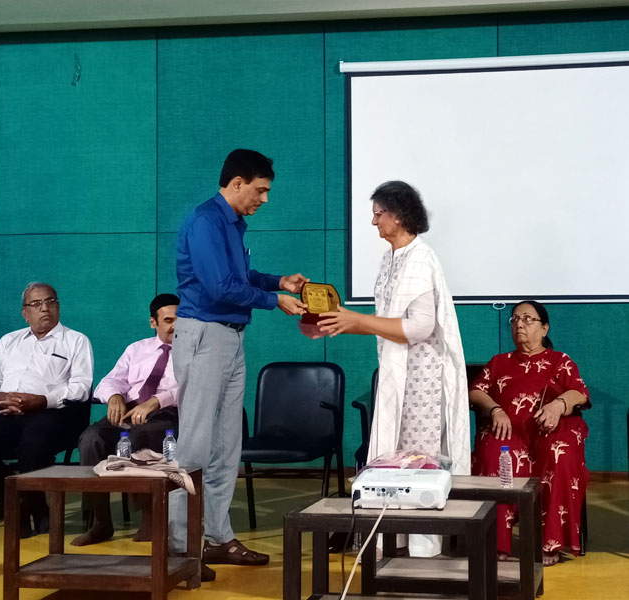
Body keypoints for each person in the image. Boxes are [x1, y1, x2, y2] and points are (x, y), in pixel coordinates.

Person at [168, 148, 308, 580]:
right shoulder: (205, 221)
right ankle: (181, 545)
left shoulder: (231, 224)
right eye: (260, 190)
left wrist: (277, 282)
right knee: (194, 445)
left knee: (227, 445)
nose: (264, 199)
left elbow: (239, 278)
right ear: (236, 184)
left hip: (229, 338)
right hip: (204, 335)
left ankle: (216, 536)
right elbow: (219, 287)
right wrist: (273, 300)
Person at [314, 180, 470, 557]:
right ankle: (392, 541)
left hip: (422, 379)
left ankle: (423, 550)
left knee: (419, 462)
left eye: (378, 214)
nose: (373, 222)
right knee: (394, 460)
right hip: (396, 374)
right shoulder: (391, 258)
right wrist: (337, 322)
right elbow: (383, 322)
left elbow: (420, 328)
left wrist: (357, 321)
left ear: (398, 215)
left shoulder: (420, 258)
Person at [0, 282, 93, 536]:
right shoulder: (9, 341)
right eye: (36, 304)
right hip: (8, 415)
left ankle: (33, 510)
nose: (45, 308)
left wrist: (42, 400)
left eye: (50, 301)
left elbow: (81, 388)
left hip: (53, 415)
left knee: (33, 446)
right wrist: (0, 397)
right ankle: (19, 505)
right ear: (25, 313)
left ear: (58, 306)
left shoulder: (76, 341)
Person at [470, 300, 589, 566]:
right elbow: (476, 391)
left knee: (560, 454)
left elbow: (579, 392)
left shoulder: (560, 361)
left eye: (527, 319)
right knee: (494, 452)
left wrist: (558, 405)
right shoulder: (499, 362)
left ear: (544, 328)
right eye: (514, 320)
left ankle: (550, 541)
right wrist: (495, 409)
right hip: (511, 432)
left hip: (549, 432)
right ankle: (496, 540)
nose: (519, 324)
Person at [72, 293, 181, 547]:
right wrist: (114, 396)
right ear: (153, 322)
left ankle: (149, 516)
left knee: (136, 437)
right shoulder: (136, 349)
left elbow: (192, 387)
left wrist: (156, 400)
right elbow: (110, 380)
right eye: (168, 320)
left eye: (179, 320)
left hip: (168, 414)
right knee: (91, 439)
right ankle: (100, 521)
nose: (175, 326)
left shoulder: (191, 351)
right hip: (129, 411)